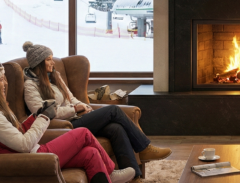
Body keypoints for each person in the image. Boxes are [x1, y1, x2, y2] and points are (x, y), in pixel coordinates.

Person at [0, 58, 135, 183]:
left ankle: (108, 176)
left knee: (91, 154)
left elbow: (18, 132)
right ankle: (110, 172)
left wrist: (37, 115)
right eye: (1, 80)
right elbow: (24, 144)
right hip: (28, 160)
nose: (5, 84)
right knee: (83, 133)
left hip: (30, 154)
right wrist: (45, 117)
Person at [22, 42, 171, 182]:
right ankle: (144, 148)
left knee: (116, 129)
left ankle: (134, 178)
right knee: (113, 110)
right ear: (38, 63)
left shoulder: (54, 76)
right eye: (48, 60)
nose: (52, 62)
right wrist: (74, 109)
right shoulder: (30, 86)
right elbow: (42, 112)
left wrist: (84, 107)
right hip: (65, 125)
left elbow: (71, 97)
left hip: (77, 117)